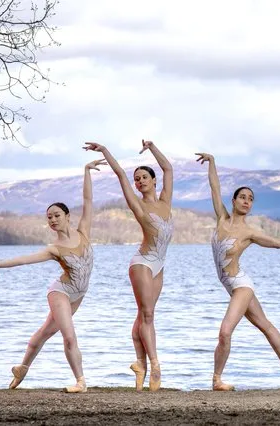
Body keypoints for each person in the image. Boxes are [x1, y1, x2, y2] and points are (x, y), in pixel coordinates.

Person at [195, 152, 280, 391]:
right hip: (232, 285)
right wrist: (212, 162)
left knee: (225, 332)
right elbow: (214, 187)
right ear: (233, 201)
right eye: (242, 197)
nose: (246, 201)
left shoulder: (249, 232)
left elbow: (276, 242)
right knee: (264, 325)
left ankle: (216, 380)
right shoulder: (221, 219)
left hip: (240, 285)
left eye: (250, 199)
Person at [0, 159, 107, 393]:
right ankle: (81, 382)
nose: (53, 219)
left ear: (67, 216)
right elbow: (23, 260)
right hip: (61, 292)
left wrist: (86, 171)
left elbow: (88, 201)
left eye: (57, 215)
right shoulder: (53, 249)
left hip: (79, 294)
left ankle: (23, 368)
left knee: (45, 332)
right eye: (49, 217)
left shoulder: (84, 232)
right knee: (69, 336)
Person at [84, 140, 173, 392]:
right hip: (142, 263)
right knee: (147, 315)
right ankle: (155, 365)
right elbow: (120, 174)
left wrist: (153, 147)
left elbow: (168, 169)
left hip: (159, 265)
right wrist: (104, 151)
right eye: (138, 179)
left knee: (143, 316)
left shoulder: (166, 200)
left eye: (144, 177)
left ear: (154, 181)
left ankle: (140, 364)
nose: (140, 181)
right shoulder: (138, 204)